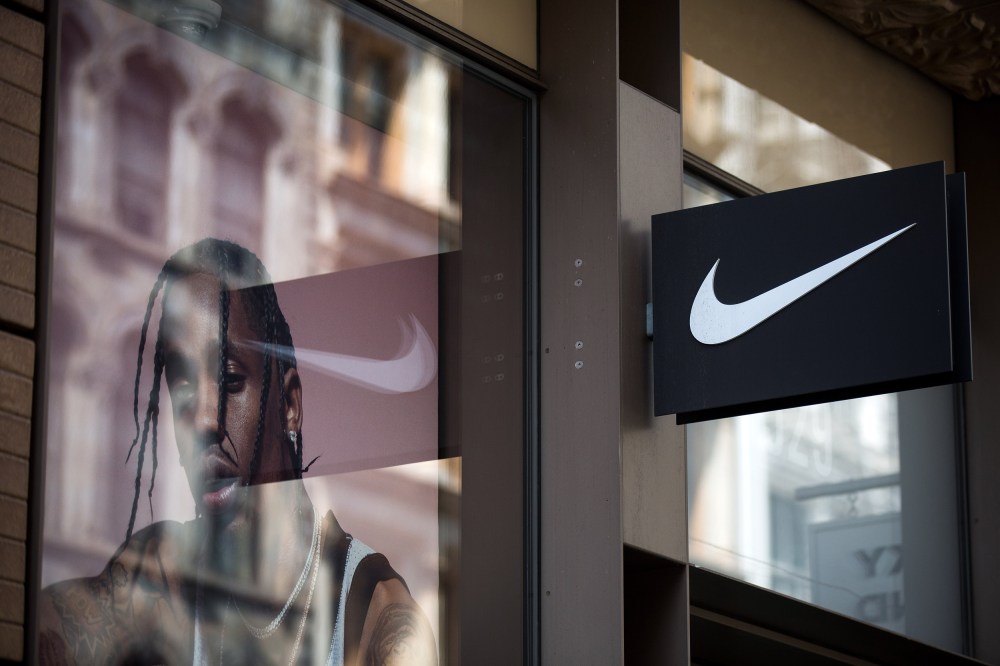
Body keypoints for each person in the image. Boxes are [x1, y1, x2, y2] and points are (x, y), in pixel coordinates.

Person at [38, 238, 437, 665]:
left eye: (230, 380)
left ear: (289, 405)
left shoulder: (376, 620)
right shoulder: (161, 575)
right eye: (183, 390)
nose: (203, 421)